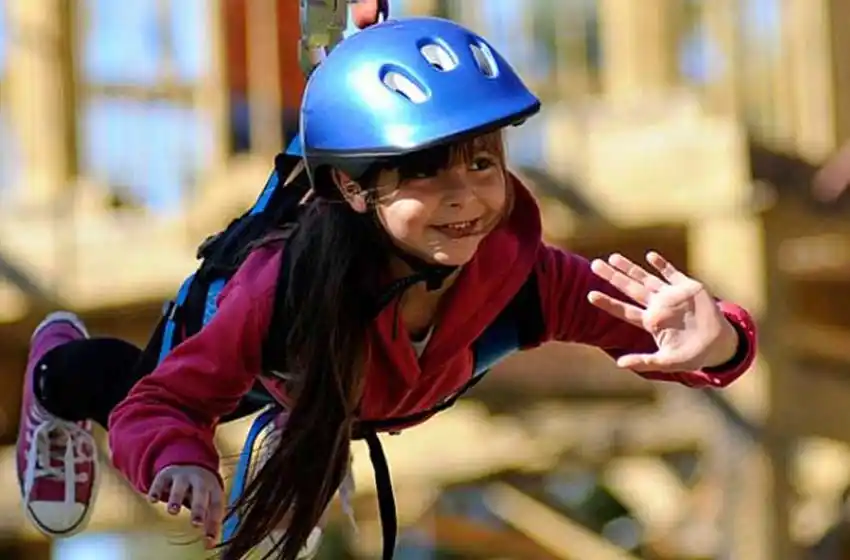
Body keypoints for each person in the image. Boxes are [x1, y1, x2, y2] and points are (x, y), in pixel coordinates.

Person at [16, 15, 758, 560]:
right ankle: (54, 376)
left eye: (481, 164)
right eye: (428, 171)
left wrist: (713, 336)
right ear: (354, 187)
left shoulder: (520, 271)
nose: (465, 198)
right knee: (123, 384)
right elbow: (167, 403)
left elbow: (681, 343)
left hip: (356, 388)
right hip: (261, 358)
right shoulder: (278, 292)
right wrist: (180, 458)